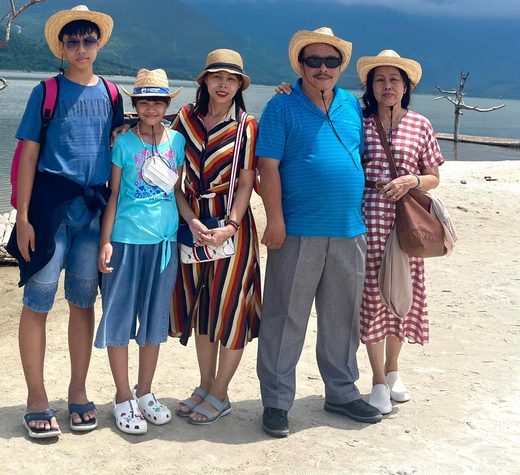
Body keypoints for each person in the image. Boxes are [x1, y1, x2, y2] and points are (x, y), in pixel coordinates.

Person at [256, 27, 382, 438]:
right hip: (297, 230)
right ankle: (276, 401)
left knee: (342, 318)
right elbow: (267, 167)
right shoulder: (281, 106)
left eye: (331, 61)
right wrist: (274, 219)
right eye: (314, 60)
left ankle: (342, 392)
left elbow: (365, 153)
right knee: (284, 315)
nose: (322, 68)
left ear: (341, 66)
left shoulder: (351, 105)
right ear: (301, 65)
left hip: (349, 230)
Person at [7, 5, 124, 439]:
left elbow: (119, 155)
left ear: (99, 44)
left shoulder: (113, 94)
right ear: (61, 47)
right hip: (49, 210)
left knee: (82, 301)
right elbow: (30, 155)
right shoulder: (46, 91)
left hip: (93, 214)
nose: (80, 47)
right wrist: (23, 217)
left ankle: (78, 391)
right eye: (71, 41)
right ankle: (36, 397)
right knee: (37, 301)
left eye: (87, 40)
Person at [169, 49, 262, 425]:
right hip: (192, 224)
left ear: (239, 85)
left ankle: (221, 392)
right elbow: (172, 178)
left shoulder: (246, 126)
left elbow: (245, 183)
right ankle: (205, 384)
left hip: (231, 227)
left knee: (232, 307)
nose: (223, 85)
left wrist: (231, 225)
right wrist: (190, 220)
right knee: (202, 308)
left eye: (231, 79)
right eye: (216, 77)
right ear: (204, 81)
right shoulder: (184, 119)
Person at [355, 50, 444, 414]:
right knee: (372, 298)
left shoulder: (420, 125)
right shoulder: (357, 122)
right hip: (367, 217)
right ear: (371, 87)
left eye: (394, 80)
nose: (387, 86)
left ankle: (394, 370)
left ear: (405, 86)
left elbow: (435, 177)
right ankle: (377, 378)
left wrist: (413, 179)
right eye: (380, 80)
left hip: (406, 221)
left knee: (402, 296)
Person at [96, 69, 185, 435]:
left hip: (164, 244)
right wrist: (105, 241)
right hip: (126, 241)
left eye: (159, 101)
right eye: (145, 100)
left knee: (154, 321)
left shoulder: (176, 141)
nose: (152, 107)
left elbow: (177, 191)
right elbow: (113, 194)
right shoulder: (123, 144)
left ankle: (144, 391)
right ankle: (122, 396)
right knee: (118, 317)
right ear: (136, 105)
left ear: (168, 105)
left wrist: (190, 223)